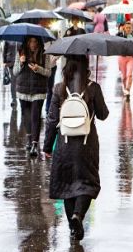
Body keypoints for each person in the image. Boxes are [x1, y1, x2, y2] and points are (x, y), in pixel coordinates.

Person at [43, 55, 109, 241]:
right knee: (86, 183)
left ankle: (73, 228)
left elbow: (51, 120)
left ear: (66, 67)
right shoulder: (92, 88)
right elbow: (103, 115)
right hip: (87, 144)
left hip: (64, 144)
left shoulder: (59, 89)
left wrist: (48, 146)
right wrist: (95, 95)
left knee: (67, 185)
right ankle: (77, 216)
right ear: (86, 67)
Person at [14, 35, 51, 157]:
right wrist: (20, 62)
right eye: (30, 42)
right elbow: (15, 72)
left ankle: (35, 143)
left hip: (38, 89)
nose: (33, 44)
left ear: (39, 42)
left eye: (35, 42)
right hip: (23, 89)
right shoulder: (20, 52)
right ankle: (29, 139)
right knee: (26, 115)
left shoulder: (44, 54)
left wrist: (38, 69)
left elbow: (48, 72)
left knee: (35, 115)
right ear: (27, 42)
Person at [116, 20, 133, 97]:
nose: (128, 29)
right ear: (124, 28)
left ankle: (128, 89)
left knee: (129, 75)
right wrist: (120, 32)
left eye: (129, 28)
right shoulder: (120, 35)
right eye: (127, 28)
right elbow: (115, 39)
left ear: (131, 29)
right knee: (124, 76)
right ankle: (124, 88)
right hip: (122, 57)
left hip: (130, 58)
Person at [3, 40, 19, 108]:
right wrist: (4, 61)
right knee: (13, 81)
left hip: (21, 62)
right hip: (11, 62)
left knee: (21, 80)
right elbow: (5, 50)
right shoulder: (8, 38)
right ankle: (14, 99)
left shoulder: (23, 36)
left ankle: (22, 97)